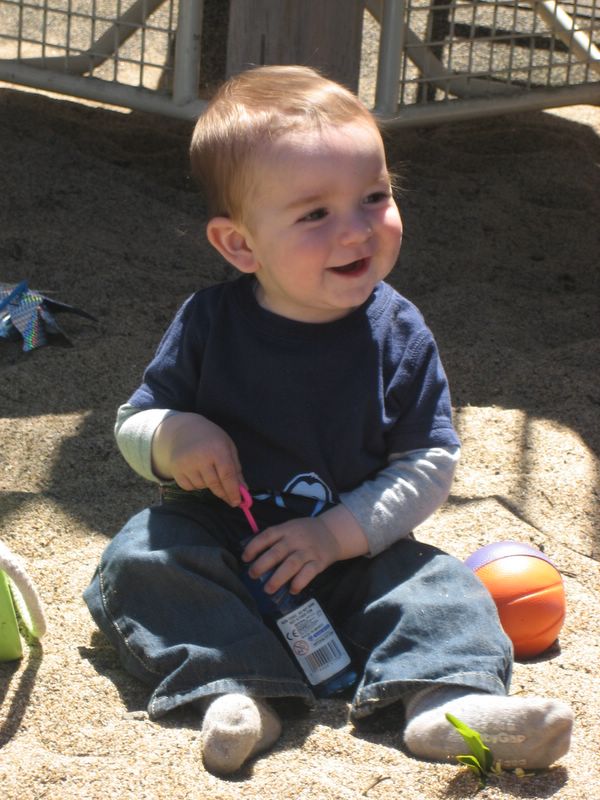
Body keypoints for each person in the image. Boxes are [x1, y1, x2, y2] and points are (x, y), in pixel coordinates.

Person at [84, 65, 572, 776]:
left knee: (444, 588)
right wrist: (172, 436)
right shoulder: (210, 322)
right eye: (315, 214)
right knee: (136, 560)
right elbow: (135, 421)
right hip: (221, 548)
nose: (357, 229)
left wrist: (335, 534)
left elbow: (427, 464)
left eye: (375, 197)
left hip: (352, 558)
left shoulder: (399, 332)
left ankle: (445, 704)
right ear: (241, 245)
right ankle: (241, 691)